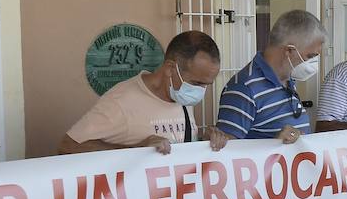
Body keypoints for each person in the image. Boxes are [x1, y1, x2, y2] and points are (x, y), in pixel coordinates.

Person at [58, 30, 228, 155]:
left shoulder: (180, 96)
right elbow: (68, 146)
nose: (200, 91)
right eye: (196, 83)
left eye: (206, 85)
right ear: (170, 68)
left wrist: (204, 142)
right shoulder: (121, 101)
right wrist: (136, 150)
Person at [216, 9, 326, 143]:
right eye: (310, 56)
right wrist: (273, 144)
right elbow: (227, 154)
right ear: (289, 51)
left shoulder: (287, 79)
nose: (313, 63)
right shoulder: (245, 88)